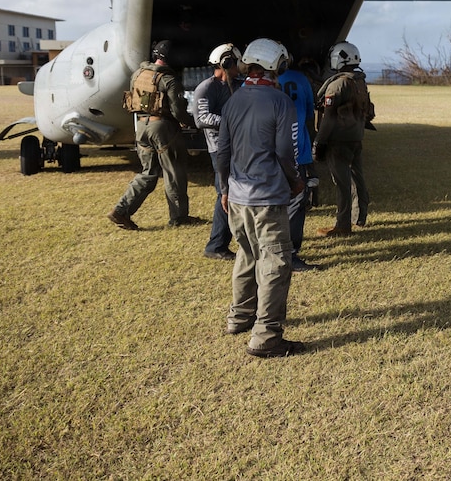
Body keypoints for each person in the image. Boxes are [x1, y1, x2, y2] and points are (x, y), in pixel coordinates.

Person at [216, 38, 307, 358]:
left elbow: (222, 152)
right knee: (276, 263)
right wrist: (296, 181)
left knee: (246, 254)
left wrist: (224, 190)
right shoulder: (280, 102)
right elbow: (286, 152)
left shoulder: (233, 101)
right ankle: (266, 336)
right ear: (276, 66)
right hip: (267, 197)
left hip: (237, 198)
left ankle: (239, 317)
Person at [109, 39, 203, 230]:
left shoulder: (138, 74)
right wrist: (192, 122)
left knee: (148, 173)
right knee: (174, 172)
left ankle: (121, 210)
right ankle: (179, 217)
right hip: (162, 128)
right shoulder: (169, 80)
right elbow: (178, 111)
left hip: (141, 126)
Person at [313, 41, 374, 238]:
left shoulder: (339, 83)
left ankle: (342, 224)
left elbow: (329, 117)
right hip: (356, 136)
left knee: (342, 182)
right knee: (357, 177)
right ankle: (360, 217)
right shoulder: (359, 80)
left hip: (339, 140)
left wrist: (320, 141)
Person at [194, 42, 242, 260]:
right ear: (226, 62)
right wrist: (230, 122)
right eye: (235, 62)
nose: (238, 67)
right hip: (219, 148)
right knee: (224, 193)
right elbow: (201, 118)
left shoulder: (235, 85)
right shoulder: (206, 88)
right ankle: (216, 245)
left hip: (236, 145)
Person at [278, 58, 319, 271]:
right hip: (299, 149)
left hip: (271, 152)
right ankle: (291, 252)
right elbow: (310, 115)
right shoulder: (301, 79)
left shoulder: (263, 82)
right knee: (296, 201)